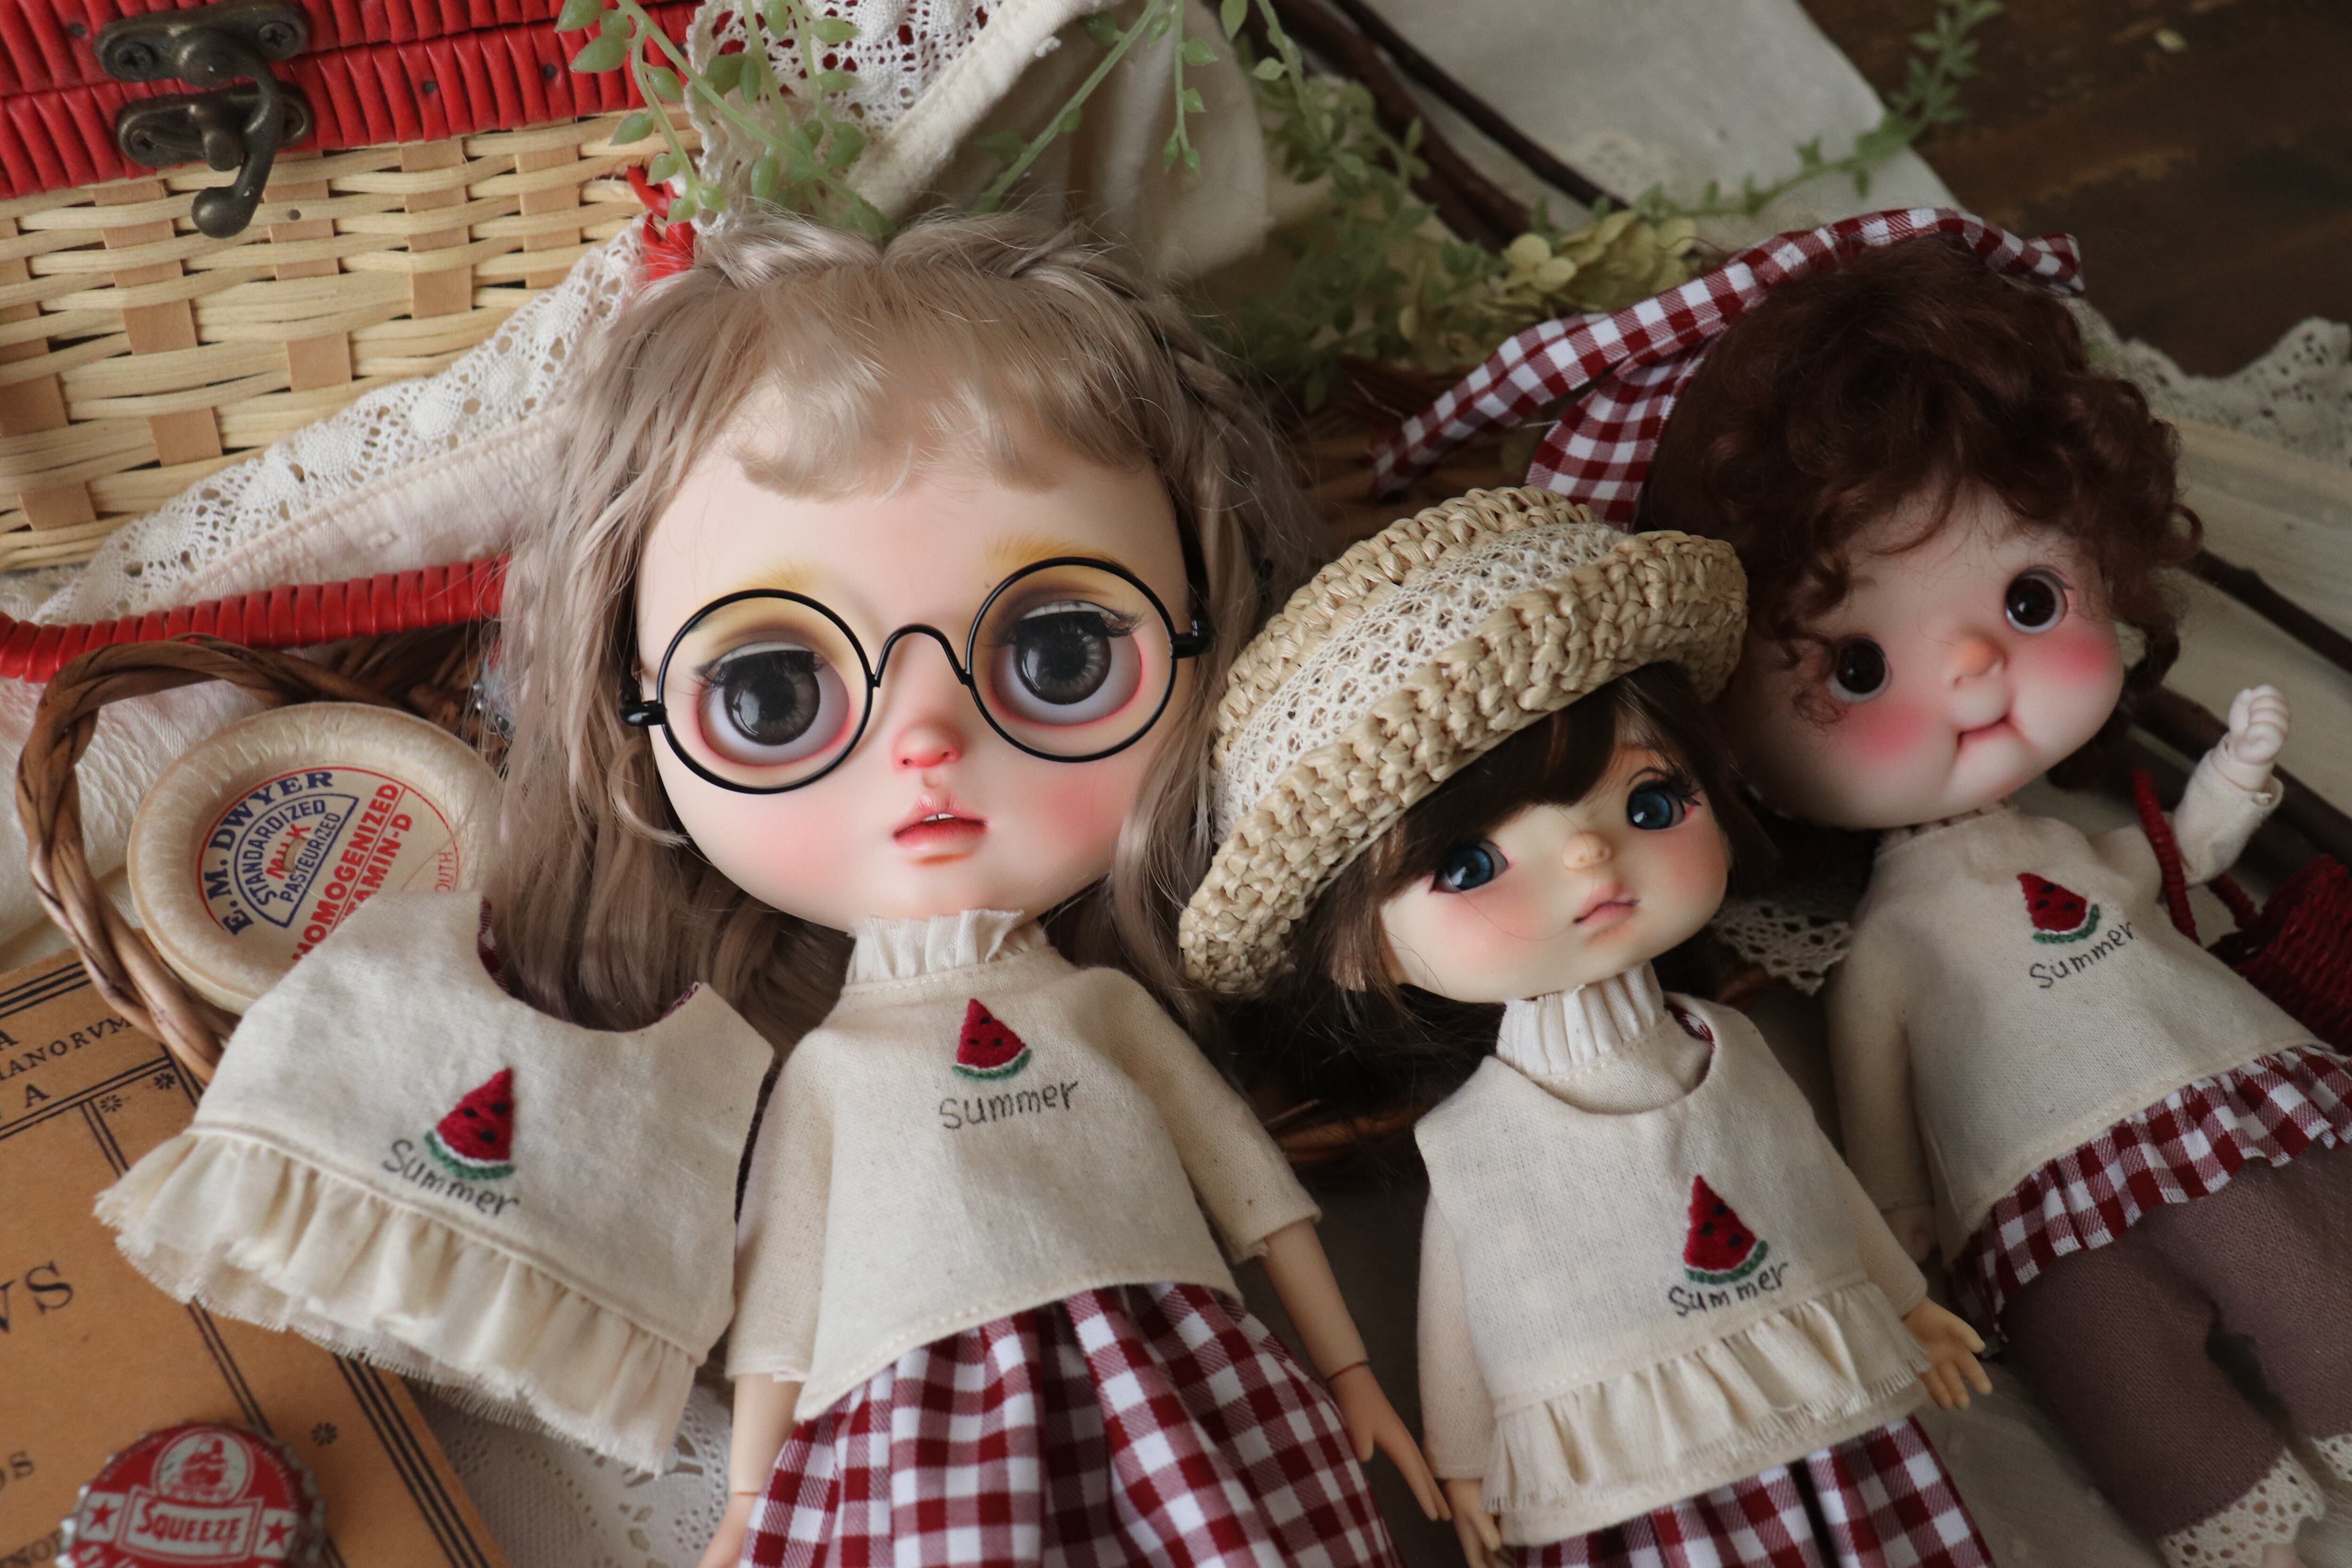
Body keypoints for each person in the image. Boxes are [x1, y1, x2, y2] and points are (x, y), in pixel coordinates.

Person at [477, 211, 1440, 1567]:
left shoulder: (1105, 1015)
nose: (926, 740)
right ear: (624, 708)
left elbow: (1259, 1196)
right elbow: (784, 1311)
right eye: (773, 691)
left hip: (1172, 1394)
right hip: (921, 1445)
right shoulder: (829, 1076)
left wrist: (1351, 1378)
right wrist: (747, 1503)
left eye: (1059, 654)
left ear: (1212, 637)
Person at [1644, 234, 2352, 1568]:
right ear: (1723, 732)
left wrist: (2231, 783)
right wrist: (1902, 1219)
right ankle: (2225, 1512)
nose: (1974, 669)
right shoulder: (1890, 941)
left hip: (2212, 1090)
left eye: (2029, 598)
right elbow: (1873, 1091)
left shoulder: (2078, 848)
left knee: (2315, 1267)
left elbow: (2176, 862)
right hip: (2030, 1187)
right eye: (1857, 667)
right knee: (2118, 1369)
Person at [1180, 487, 1994, 1568]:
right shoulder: (1471, 1138)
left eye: (1650, 802)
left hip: (1827, 1398)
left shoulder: (1730, 1042)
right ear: (1357, 950)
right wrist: (1465, 1458)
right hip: (1628, 1470)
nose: (1588, 857)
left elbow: (1809, 1179)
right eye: (1469, 863)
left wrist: (1904, 1301)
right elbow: (1459, 1311)